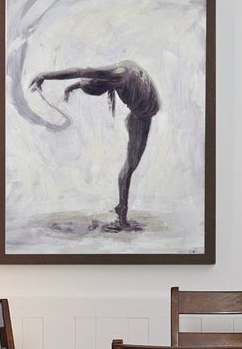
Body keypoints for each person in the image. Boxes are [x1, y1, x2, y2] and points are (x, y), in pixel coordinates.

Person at [29, 61, 160, 229]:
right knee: (130, 167)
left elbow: (79, 70)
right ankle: (122, 211)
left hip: (142, 117)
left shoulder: (116, 74)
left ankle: (121, 207)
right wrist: (71, 88)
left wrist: (44, 75)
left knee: (131, 166)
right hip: (140, 118)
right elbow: (86, 78)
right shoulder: (113, 75)